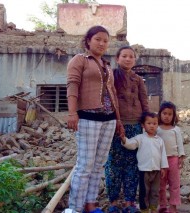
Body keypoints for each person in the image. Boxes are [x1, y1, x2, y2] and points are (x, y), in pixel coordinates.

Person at [65, 25, 122, 213]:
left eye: (105, 40)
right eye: (98, 39)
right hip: (88, 118)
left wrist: (118, 120)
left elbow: (112, 93)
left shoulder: (107, 65)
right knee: (85, 165)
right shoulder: (79, 60)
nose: (102, 43)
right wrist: (72, 113)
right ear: (88, 40)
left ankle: (91, 204)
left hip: (109, 119)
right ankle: (75, 208)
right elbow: (72, 86)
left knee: (98, 165)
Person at [105, 46, 149, 213]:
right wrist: (114, 121)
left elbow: (144, 101)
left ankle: (130, 202)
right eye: (124, 56)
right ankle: (114, 201)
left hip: (136, 126)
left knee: (132, 163)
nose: (128, 59)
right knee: (114, 163)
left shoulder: (138, 80)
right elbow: (109, 100)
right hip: (116, 125)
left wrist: (145, 123)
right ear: (118, 58)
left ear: (134, 60)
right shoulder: (111, 76)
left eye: (131, 56)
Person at [120, 112, 169, 213]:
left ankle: (154, 208)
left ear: (157, 125)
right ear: (143, 125)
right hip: (144, 170)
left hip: (156, 170)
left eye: (155, 123)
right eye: (149, 123)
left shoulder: (159, 140)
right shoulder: (140, 138)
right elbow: (131, 144)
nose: (152, 126)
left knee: (155, 191)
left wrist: (163, 167)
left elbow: (163, 154)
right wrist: (124, 139)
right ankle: (144, 209)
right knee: (144, 192)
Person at [157, 101, 185, 213]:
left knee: (174, 184)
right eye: (164, 113)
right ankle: (162, 205)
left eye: (170, 114)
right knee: (160, 185)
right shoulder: (157, 129)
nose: (167, 116)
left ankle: (173, 206)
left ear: (174, 116)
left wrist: (181, 157)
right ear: (160, 114)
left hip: (173, 159)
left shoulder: (176, 130)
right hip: (160, 161)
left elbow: (180, 144)